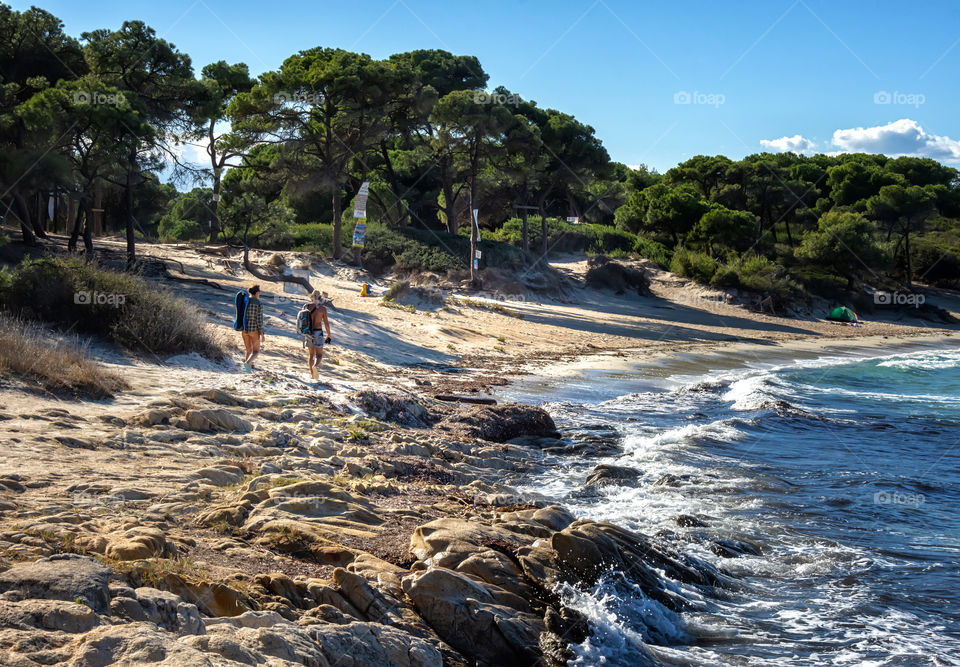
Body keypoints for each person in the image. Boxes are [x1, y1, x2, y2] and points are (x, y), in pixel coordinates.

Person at [305, 289, 331, 380]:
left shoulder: (307, 306)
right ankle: (315, 366)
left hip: (308, 332)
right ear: (319, 297)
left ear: (312, 297)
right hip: (318, 332)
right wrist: (329, 334)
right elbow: (326, 323)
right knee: (319, 355)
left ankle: (312, 375)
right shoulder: (322, 309)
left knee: (311, 355)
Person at [242, 284, 264, 373]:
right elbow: (259, 320)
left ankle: (248, 371)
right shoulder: (258, 303)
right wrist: (262, 334)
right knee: (256, 351)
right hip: (254, 330)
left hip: (244, 329)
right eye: (260, 292)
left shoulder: (245, 301)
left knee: (248, 351)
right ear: (257, 292)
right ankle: (247, 363)